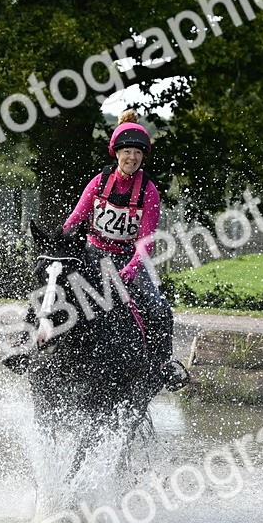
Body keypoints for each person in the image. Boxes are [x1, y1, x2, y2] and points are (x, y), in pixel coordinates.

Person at [61, 110, 189, 391]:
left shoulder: (150, 191)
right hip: (92, 254)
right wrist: (59, 239)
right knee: (52, 289)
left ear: (143, 157)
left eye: (138, 153)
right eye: (127, 152)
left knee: (159, 309)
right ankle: (26, 345)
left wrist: (130, 269)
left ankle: (163, 366)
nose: (132, 158)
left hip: (128, 260)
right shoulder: (98, 182)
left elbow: (146, 241)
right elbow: (75, 219)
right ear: (116, 153)